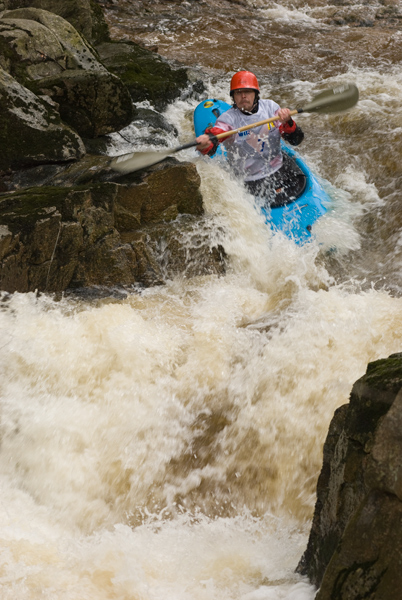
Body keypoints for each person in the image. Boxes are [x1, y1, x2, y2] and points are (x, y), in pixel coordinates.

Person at [196, 71, 306, 207]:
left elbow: (296, 140)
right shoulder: (228, 119)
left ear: (255, 94)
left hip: (279, 169)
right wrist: (206, 143)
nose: (243, 96)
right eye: (238, 92)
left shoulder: (271, 108)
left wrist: (288, 122)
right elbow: (215, 136)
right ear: (233, 97)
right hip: (249, 179)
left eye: (247, 91)